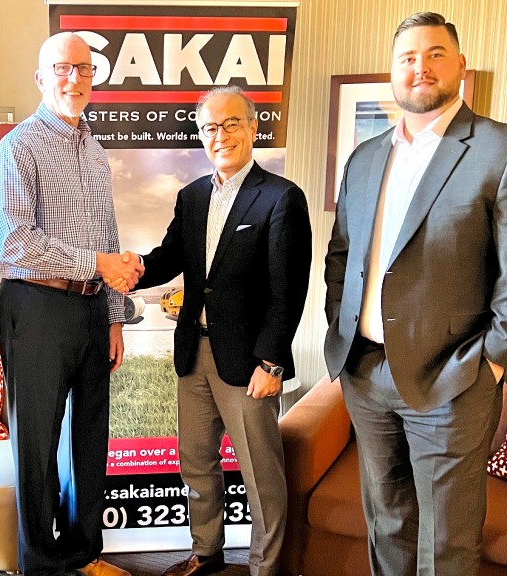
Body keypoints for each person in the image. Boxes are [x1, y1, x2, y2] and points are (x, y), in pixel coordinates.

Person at [324, 12, 507, 575]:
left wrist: (495, 363)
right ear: (392, 72)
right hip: (364, 373)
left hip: (454, 379)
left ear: (459, 65)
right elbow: (342, 256)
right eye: (407, 57)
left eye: (435, 54)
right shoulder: (365, 156)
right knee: (386, 524)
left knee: (447, 544)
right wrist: (340, 324)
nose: (420, 67)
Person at [128, 86, 311, 576]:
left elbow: (287, 290)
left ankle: (263, 567)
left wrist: (272, 361)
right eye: (210, 127)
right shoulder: (191, 197)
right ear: (200, 135)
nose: (220, 135)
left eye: (231, 123)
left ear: (253, 128)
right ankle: (206, 554)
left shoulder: (281, 198)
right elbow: (168, 260)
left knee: (261, 477)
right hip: (194, 353)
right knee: (196, 466)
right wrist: (130, 267)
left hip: (249, 361)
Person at [0, 31, 142, 576]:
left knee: (90, 439)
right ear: (41, 77)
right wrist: (96, 264)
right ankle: (43, 564)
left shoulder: (95, 149)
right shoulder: (17, 147)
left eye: (84, 69)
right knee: (38, 443)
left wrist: (115, 317)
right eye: (62, 68)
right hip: (36, 308)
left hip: (94, 312)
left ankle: (84, 554)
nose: (74, 78)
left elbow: (109, 232)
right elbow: (11, 240)